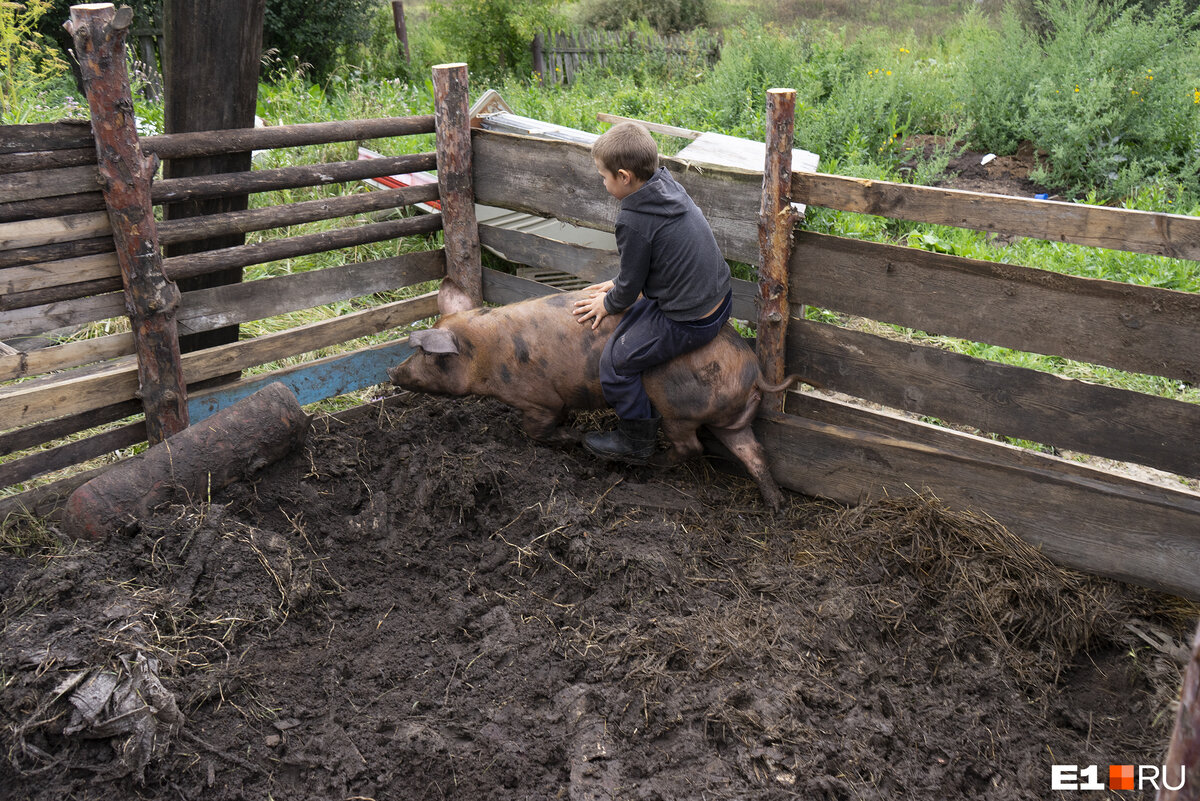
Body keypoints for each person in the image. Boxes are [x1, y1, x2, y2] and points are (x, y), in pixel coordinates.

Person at [572, 121, 732, 462]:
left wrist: (611, 299)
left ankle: (636, 442)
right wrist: (619, 282)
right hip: (719, 297)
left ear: (624, 177)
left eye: (603, 176)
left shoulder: (632, 220)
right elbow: (658, 255)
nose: (602, 182)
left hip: (691, 319)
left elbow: (629, 292)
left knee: (615, 363)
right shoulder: (666, 184)